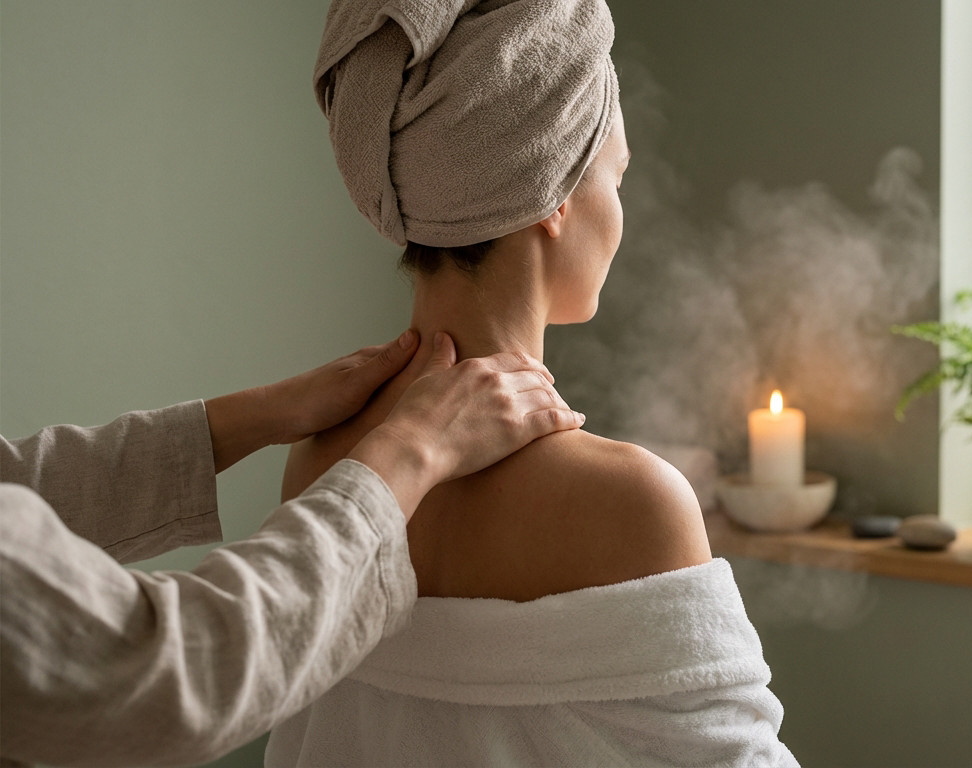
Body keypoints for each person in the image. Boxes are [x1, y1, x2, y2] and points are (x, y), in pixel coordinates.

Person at [264, 0, 798, 765]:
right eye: (616, 176)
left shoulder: (318, 464)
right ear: (555, 199)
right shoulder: (635, 501)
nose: (619, 213)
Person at [0, 328, 585, 767]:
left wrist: (265, 412)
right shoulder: (623, 492)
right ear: (553, 214)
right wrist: (409, 452)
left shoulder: (317, 453)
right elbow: (161, 676)